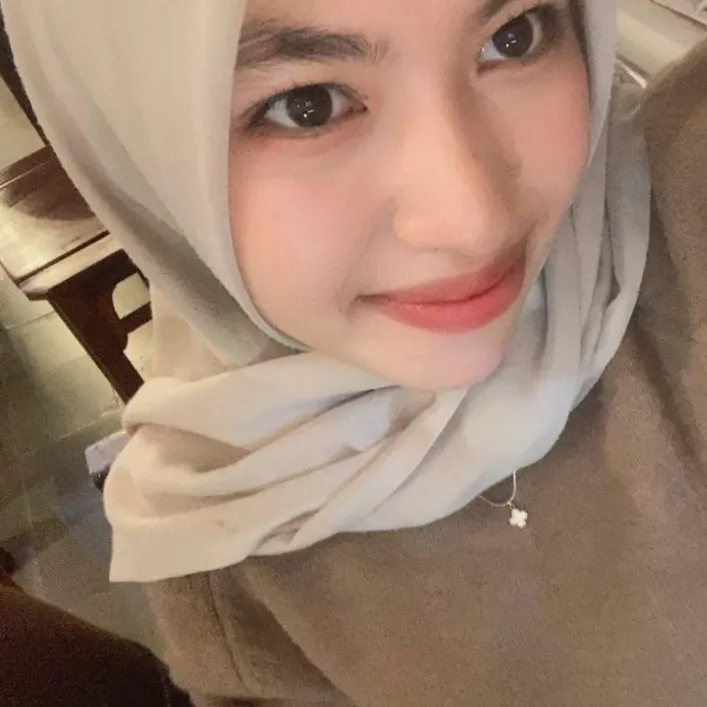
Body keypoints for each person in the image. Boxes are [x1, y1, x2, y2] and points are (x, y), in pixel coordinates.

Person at [2, 1, 707, 705]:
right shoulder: (231, 563)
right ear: (133, 149)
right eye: (307, 106)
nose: (473, 219)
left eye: (513, 37)